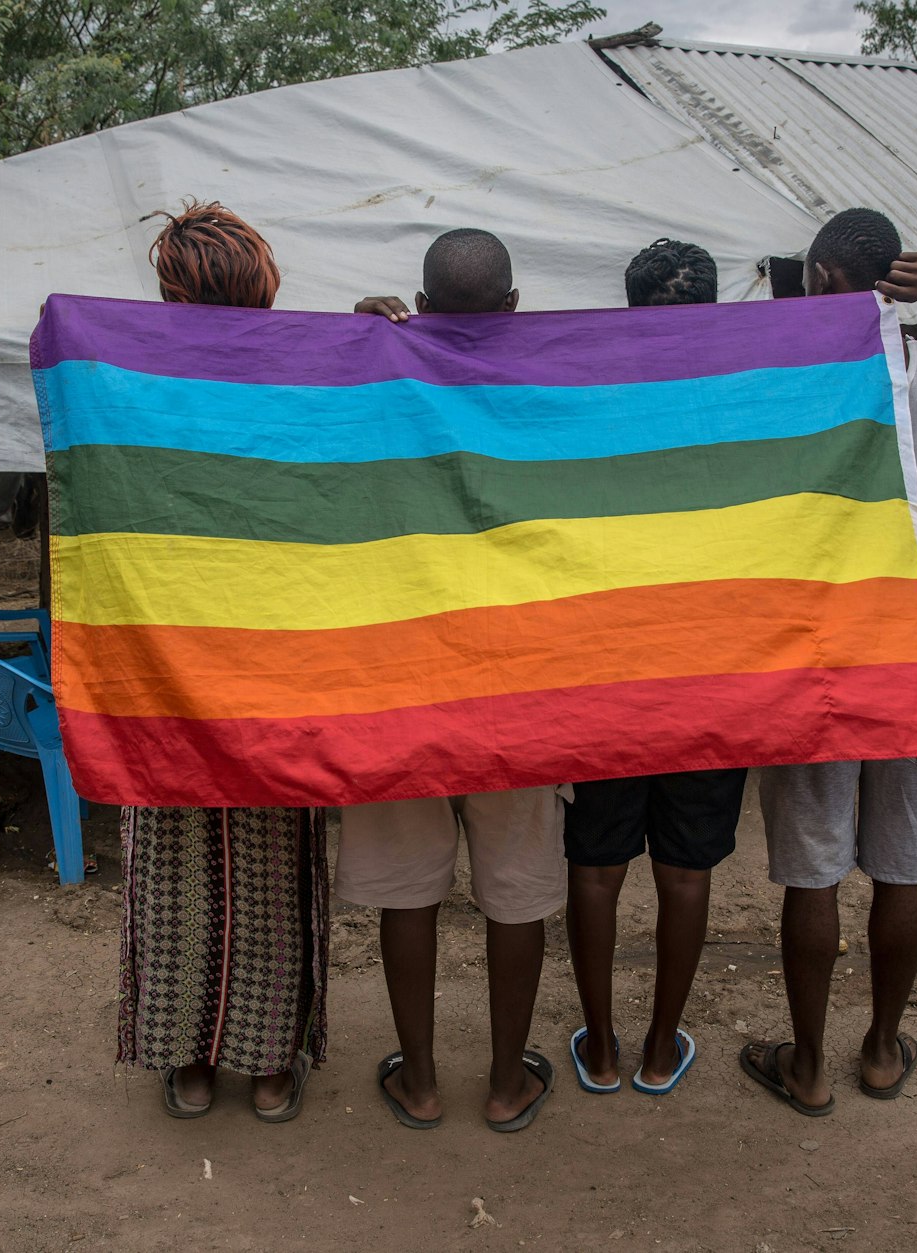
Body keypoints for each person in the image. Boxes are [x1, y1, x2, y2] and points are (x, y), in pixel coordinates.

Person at [741, 207, 917, 1116]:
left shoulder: (790, 391)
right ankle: (881, 1050)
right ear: (898, 281)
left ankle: (809, 1064)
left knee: (813, 869)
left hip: (820, 655)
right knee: (904, 869)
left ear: (822, 280)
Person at [341, 228, 563, 1134]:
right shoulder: (548, 387)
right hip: (522, 684)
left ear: (422, 306)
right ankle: (507, 1084)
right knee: (517, 886)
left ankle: (422, 1083)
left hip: (404, 682)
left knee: (407, 888)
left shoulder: (383, 380)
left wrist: (354, 338)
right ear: (513, 307)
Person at [114, 201, 326, 1123]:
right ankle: (268, 1059)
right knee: (271, 865)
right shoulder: (293, 376)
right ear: (266, 290)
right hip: (266, 656)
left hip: (171, 656)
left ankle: (190, 1057)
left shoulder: (133, 378)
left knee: (175, 865)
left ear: (168, 292)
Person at [563, 239, 745, 1098]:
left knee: (597, 865)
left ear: (630, 305)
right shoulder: (741, 402)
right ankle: (661, 1047)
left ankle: (600, 1048)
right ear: (710, 308)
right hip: (712, 672)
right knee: (686, 869)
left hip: (607, 671)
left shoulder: (593, 398)